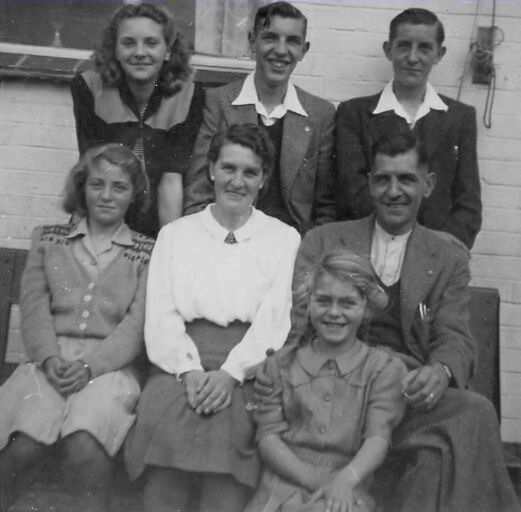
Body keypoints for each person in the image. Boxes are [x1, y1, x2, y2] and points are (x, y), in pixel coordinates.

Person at [291, 132, 519, 512]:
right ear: (369, 184)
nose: (393, 191)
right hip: (336, 388)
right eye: (383, 179)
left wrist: (440, 371)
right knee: (456, 432)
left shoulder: (447, 257)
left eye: (406, 179)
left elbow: (454, 335)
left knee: (456, 431)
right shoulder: (324, 241)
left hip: (407, 395)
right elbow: (301, 326)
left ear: (427, 185)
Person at [125, 124, 301, 512]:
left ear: (264, 179)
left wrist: (231, 374)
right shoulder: (176, 234)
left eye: (250, 172)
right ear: (211, 170)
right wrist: (189, 373)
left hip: (248, 371)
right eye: (228, 168)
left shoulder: (283, 238)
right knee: (166, 469)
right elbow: (161, 315)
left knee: (225, 474)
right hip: (177, 367)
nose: (237, 182)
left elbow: (275, 320)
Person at [0, 144, 153, 512]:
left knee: (85, 444)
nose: (106, 195)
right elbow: (35, 307)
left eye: (119, 187)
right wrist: (49, 358)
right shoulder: (49, 239)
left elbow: (136, 325)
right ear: (82, 187)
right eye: (97, 184)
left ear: (134, 195)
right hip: (47, 363)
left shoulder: (147, 251)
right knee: (22, 445)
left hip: (109, 368)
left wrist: (91, 367)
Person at [245, 249, 407, 512]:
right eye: (323, 301)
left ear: (366, 309)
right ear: (308, 303)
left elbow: (377, 438)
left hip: (347, 486)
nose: (334, 312)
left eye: (347, 303)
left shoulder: (382, 369)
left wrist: (343, 481)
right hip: (283, 486)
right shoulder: (283, 364)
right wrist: (316, 478)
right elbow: (268, 438)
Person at [183, 1, 336, 234]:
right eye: (270, 37)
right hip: (225, 239)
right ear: (252, 41)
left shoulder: (319, 115)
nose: (281, 50)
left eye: (292, 41)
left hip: (291, 248)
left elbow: (325, 208)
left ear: (304, 50)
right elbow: (198, 194)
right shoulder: (218, 102)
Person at [335, 8, 481, 249]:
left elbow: (468, 202)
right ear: (388, 49)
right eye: (403, 46)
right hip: (370, 247)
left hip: (436, 253)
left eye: (424, 48)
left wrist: (435, 248)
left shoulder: (460, 117)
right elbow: (354, 193)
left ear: (439, 53)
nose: (413, 58)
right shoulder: (354, 114)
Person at [71, 2, 204, 238]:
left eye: (151, 43)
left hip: (156, 218)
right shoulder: (89, 87)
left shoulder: (189, 95)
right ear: (115, 49)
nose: (140, 52)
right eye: (129, 43)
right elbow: (93, 173)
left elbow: (171, 179)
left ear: (168, 50)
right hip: (102, 210)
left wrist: (167, 248)